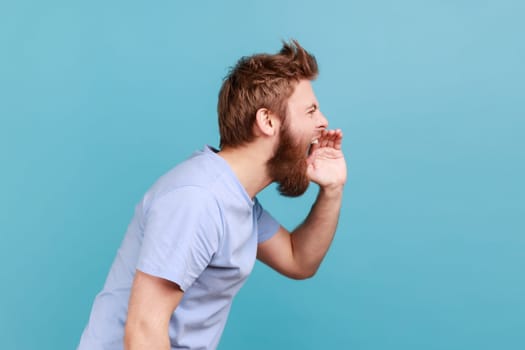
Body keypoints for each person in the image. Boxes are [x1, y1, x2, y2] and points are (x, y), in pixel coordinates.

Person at [78, 39, 347, 350]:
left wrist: (332, 189)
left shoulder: (236, 198)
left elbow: (298, 260)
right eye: (310, 110)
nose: (323, 121)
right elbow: (143, 332)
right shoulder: (198, 200)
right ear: (268, 121)